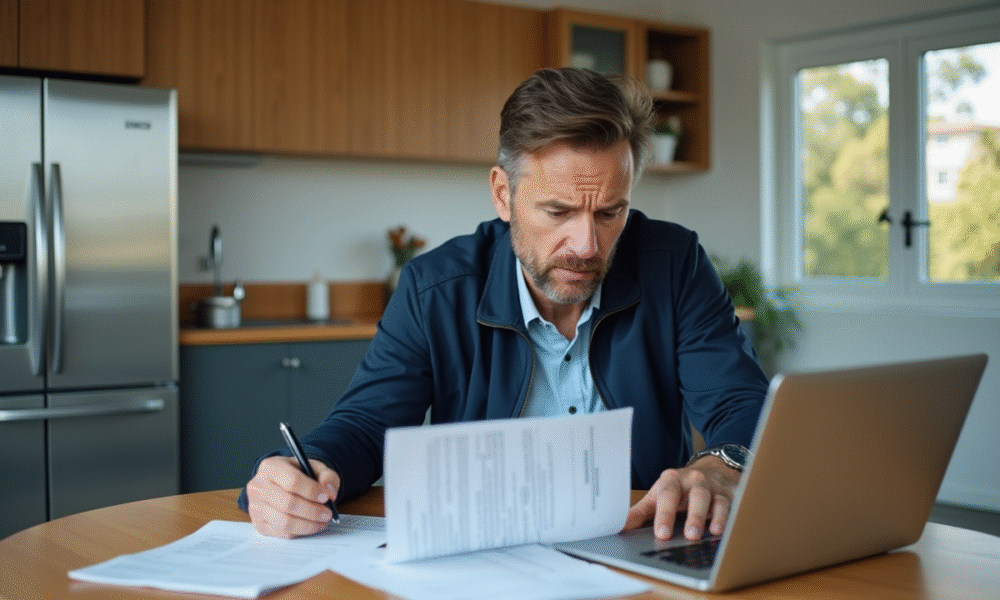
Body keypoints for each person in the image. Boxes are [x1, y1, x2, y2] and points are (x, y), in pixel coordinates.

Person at [241, 67, 768, 544]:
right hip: (488, 558)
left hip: (639, 547)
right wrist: (296, 474)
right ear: (501, 193)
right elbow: (362, 425)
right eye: (557, 211)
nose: (586, 246)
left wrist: (720, 466)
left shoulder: (674, 264)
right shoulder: (434, 288)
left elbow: (741, 404)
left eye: (609, 213)